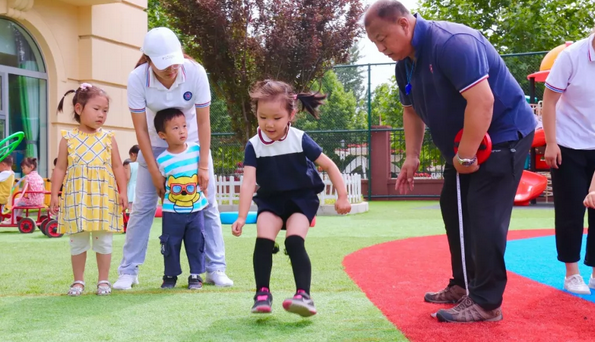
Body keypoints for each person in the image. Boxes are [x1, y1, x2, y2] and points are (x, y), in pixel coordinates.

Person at [364, 0, 536, 322]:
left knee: (483, 214)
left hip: (502, 135)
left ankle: (486, 302)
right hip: (465, 144)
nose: (380, 48)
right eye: (374, 43)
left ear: (404, 24)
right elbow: (411, 110)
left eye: (383, 38)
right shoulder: (406, 64)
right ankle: (462, 285)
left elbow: (483, 101)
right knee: (454, 208)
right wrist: (412, 157)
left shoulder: (452, 43)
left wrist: (466, 155)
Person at [114, 27, 233, 290]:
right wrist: (155, 172)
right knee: (143, 206)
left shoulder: (195, 72)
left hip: (191, 146)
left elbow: (203, 122)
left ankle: (215, 268)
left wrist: (202, 163)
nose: (171, 70)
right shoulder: (137, 78)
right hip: (154, 146)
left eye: (175, 62)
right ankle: (129, 270)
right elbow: (141, 130)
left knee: (208, 204)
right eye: (164, 65)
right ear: (149, 60)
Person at [231, 80, 352, 316]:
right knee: (263, 240)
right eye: (263, 117)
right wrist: (241, 216)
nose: (269, 123)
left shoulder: (299, 138)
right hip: (271, 201)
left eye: (276, 118)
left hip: (301, 200)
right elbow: (248, 182)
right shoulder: (254, 145)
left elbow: (329, 165)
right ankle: (262, 294)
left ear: (291, 115)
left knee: (294, 241)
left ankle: (304, 296)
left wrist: (343, 196)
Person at [50, 83, 128, 296]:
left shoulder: (108, 137)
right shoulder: (68, 138)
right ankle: (78, 281)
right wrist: (54, 194)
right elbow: (60, 168)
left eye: (105, 111)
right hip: (77, 197)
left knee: (103, 240)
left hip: (103, 197)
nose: (101, 115)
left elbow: (117, 166)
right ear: (78, 109)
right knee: (78, 241)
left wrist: (123, 192)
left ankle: (103, 280)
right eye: (96, 109)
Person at [544, 28, 595, 294]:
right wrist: (551, 143)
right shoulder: (571, 57)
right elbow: (550, 101)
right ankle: (572, 273)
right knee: (571, 210)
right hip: (568, 144)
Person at [154, 108, 208, 289]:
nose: (182, 131)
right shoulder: (162, 160)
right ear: (163, 134)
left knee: (196, 242)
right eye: (175, 128)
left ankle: (195, 275)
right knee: (170, 243)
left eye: (184, 126)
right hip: (171, 212)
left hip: (195, 210)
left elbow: (203, 176)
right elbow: (161, 186)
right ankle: (170, 275)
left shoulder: (196, 150)